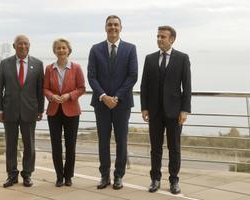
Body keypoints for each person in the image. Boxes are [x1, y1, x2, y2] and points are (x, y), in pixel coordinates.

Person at [87, 15, 138, 190]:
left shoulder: (130, 49)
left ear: (121, 28)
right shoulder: (95, 49)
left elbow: (133, 76)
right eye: (110, 25)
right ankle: (104, 176)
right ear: (105, 27)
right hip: (101, 103)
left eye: (116, 25)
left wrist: (116, 97)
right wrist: (104, 96)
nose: (113, 28)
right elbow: (91, 77)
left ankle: (118, 176)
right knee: (103, 141)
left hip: (122, 104)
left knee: (121, 141)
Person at [140, 25, 191, 194]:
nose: (159, 39)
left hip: (175, 112)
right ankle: (155, 179)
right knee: (155, 148)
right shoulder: (150, 58)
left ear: (172, 39)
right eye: (158, 36)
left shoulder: (182, 58)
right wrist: (144, 107)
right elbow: (144, 85)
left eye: (163, 37)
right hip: (154, 112)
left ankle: (174, 181)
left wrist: (184, 110)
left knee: (174, 148)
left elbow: (187, 87)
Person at [0, 35, 44, 188]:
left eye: (26, 44)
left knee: (29, 144)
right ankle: (12, 175)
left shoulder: (38, 64)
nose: (23, 46)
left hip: (30, 110)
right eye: (20, 44)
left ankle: (27, 174)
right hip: (9, 110)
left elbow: (40, 90)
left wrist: (40, 109)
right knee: (11, 144)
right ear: (14, 46)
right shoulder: (5, 63)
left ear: (29, 46)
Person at [43, 38, 85, 187]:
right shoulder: (49, 69)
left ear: (68, 50)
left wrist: (69, 96)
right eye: (58, 48)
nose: (61, 50)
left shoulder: (76, 68)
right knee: (56, 145)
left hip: (72, 111)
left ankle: (68, 176)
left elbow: (81, 88)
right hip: (54, 111)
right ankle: (59, 176)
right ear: (54, 51)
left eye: (63, 48)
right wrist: (51, 96)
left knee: (70, 145)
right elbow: (45, 88)